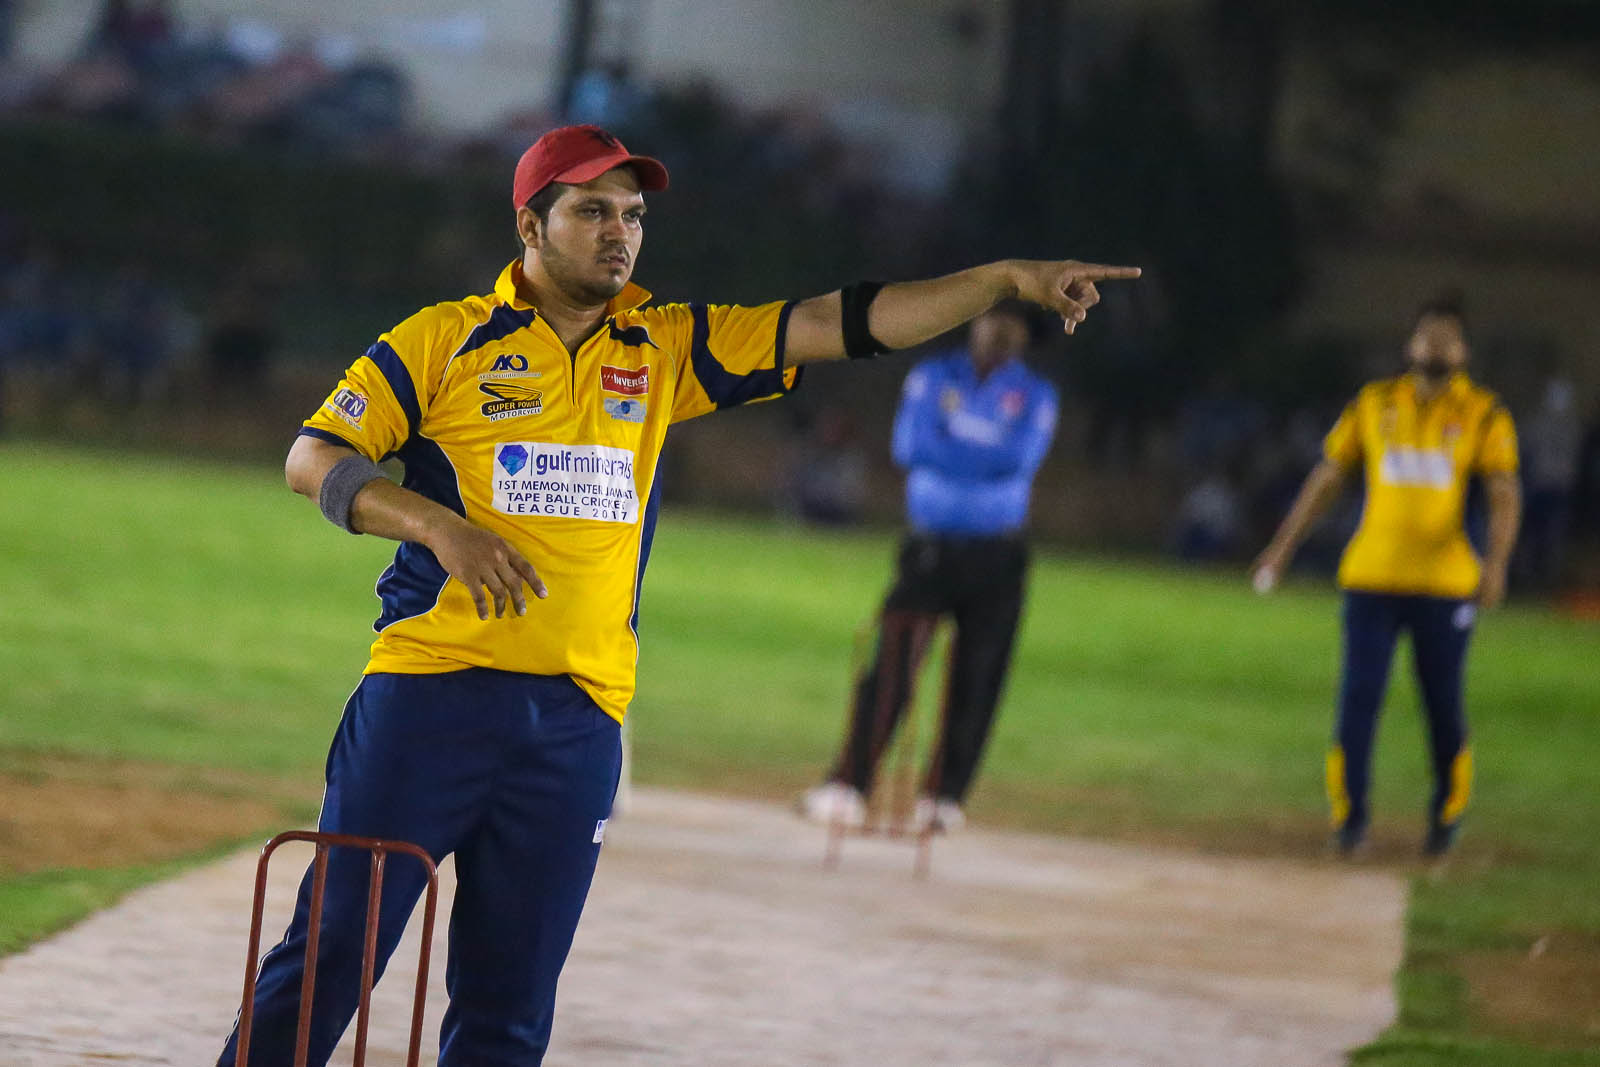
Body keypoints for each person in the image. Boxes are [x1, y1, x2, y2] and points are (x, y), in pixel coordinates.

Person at [217, 122, 1139, 1066]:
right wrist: (436, 526)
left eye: (633, 215)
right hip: (428, 699)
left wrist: (1000, 280)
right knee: (332, 953)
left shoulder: (664, 345)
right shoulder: (444, 339)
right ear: (530, 226)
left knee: (509, 1008)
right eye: (592, 212)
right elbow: (312, 456)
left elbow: (843, 321)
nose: (619, 232)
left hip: (577, 721)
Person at [1251, 293, 1521, 859]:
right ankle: (1350, 822)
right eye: (1428, 335)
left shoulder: (1483, 413)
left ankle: (1445, 820)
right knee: (1358, 700)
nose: (1437, 346)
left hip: (1445, 584)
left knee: (1443, 706)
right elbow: (1328, 478)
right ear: (1410, 344)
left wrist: (1496, 563)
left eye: (1448, 338)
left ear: (1464, 351)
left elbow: (1502, 493)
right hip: (1371, 577)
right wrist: (1281, 548)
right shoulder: (1374, 404)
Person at [799, 302, 1058, 834]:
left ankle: (944, 796)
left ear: (1025, 336)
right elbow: (910, 446)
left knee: (978, 675)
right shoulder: (934, 376)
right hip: (930, 547)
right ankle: (849, 784)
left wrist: (954, 443)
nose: (1000, 332)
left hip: (997, 552)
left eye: (1013, 325)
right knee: (891, 662)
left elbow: (1018, 461)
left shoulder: (1035, 394)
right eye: (993, 320)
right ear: (976, 322)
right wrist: (981, 447)